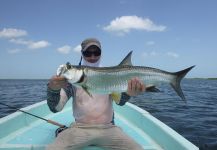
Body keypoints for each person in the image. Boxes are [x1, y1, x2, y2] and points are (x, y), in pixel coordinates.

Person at [46, 38, 146, 150]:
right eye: (88, 53)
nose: (92, 57)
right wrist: (53, 89)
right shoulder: (70, 81)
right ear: (82, 54)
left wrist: (128, 93)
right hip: (79, 128)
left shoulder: (112, 75)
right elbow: (56, 108)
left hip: (108, 129)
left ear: (101, 53)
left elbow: (120, 102)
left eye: (96, 52)